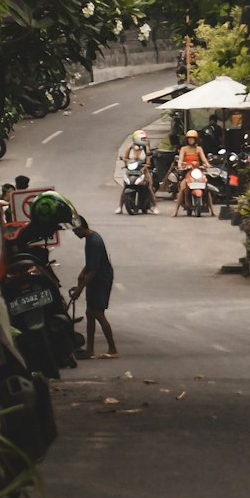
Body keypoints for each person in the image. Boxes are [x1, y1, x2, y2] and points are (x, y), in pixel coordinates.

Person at [69, 215, 118, 358]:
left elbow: (94, 269)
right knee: (90, 313)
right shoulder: (89, 239)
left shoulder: (94, 242)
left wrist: (80, 288)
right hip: (96, 277)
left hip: (100, 279)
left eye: (76, 231)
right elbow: (90, 264)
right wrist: (81, 274)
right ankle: (90, 349)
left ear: (81, 228)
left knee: (97, 313)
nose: (75, 234)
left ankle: (112, 349)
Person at [173, 128, 213, 216]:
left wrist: (207, 165)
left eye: (192, 138)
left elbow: (204, 160)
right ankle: (175, 211)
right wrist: (181, 165)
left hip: (197, 171)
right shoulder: (183, 149)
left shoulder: (199, 149)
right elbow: (180, 160)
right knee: (183, 187)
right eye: (189, 139)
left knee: (206, 187)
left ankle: (213, 210)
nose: (191, 140)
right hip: (186, 171)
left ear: (196, 140)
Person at [117, 130, 155, 214]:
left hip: (143, 170)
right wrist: (128, 162)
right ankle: (120, 207)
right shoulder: (130, 147)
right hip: (132, 170)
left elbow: (148, 161)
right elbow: (125, 158)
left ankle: (155, 205)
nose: (145, 140)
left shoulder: (146, 148)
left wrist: (145, 166)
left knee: (149, 186)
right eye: (143, 138)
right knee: (125, 186)